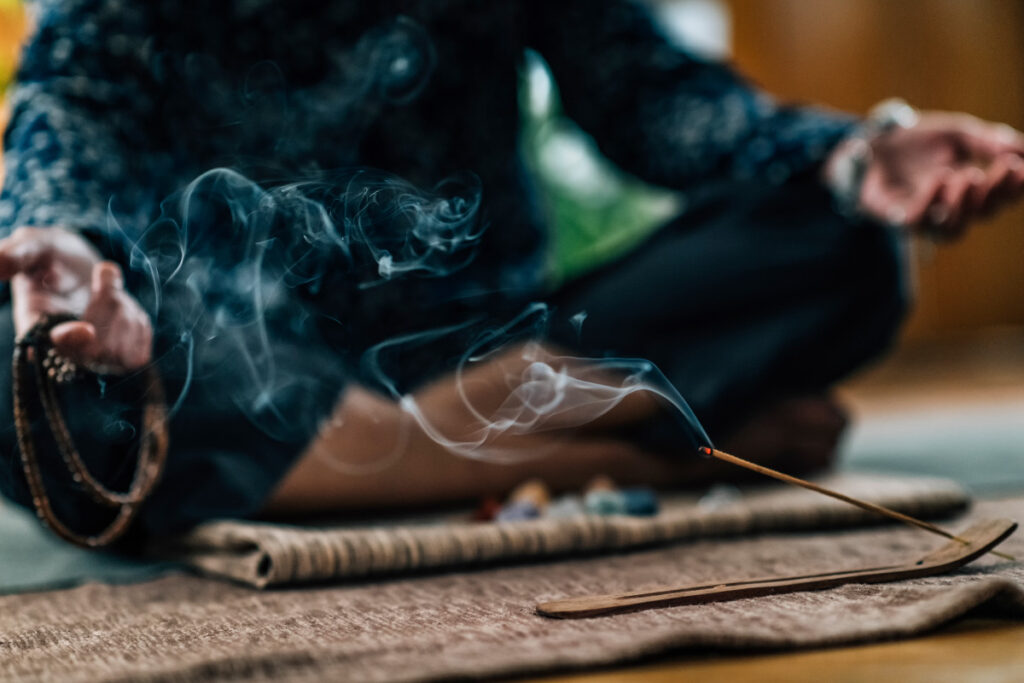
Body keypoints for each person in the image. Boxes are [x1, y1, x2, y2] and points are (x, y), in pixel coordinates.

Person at [1, 0, 1022, 545]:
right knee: (34, 373)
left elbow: (650, 97)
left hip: (497, 352)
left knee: (845, 245)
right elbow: (70, 104)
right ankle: (630, 455)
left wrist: (848, 158)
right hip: (234, 367)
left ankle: (372, 466)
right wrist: (64, 242)